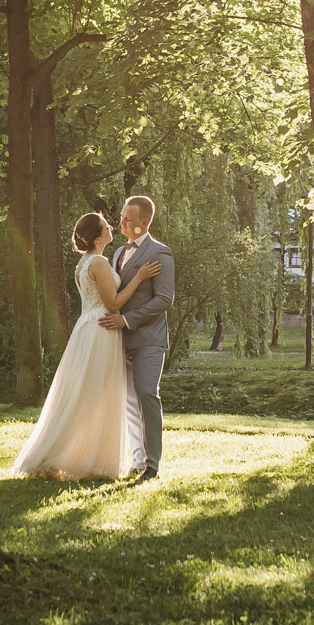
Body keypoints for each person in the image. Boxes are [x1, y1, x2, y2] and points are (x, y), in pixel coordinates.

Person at [11, 211, 162, 480]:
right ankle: (84, 460)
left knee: (84, 393)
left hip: (87, 327)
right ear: (96, 236)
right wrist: (138, 278)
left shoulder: (84, 262)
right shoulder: (100, 263)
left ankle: (79, 457)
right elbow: (113, 303)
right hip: (101, 330)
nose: (111, 227)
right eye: (106, 226)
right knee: (97, 394)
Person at [98, 195, 175, 481]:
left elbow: (164, 299)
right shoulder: (118, 253)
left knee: (145, 393)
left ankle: (152, 465)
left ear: (145, 222)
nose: (122, 223)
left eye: (128, 219)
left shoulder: (160, 253)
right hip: (119, 339)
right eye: (121, 217)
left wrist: (127, 319)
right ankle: (137, 460)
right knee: (129, 400)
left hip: (149, 338)